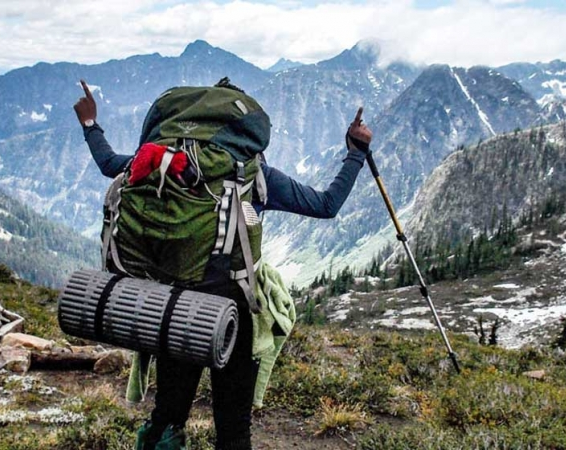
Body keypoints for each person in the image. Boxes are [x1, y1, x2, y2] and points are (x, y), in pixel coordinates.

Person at [74, 79, 372, 450]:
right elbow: (326, 205)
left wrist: (90, 123)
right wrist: (356, 152)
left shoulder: (156, 162)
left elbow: (107, 163)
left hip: (174, 308)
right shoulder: (252, 174)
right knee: (233, 428)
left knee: (168, 416)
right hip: (230, 312)